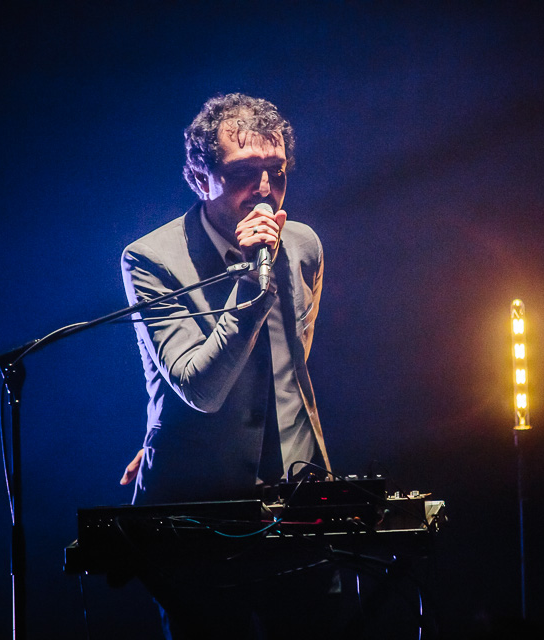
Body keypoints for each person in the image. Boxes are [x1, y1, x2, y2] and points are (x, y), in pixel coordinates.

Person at [116, 93, 338, 638]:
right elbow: (201, 389)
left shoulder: (304, 246)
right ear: (200, 177)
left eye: (276, 172)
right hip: (198, 514)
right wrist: (250, 283)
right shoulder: (152, 259)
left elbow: (289, 368)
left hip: (298, 500)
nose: (264, 189)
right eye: (243, 173)